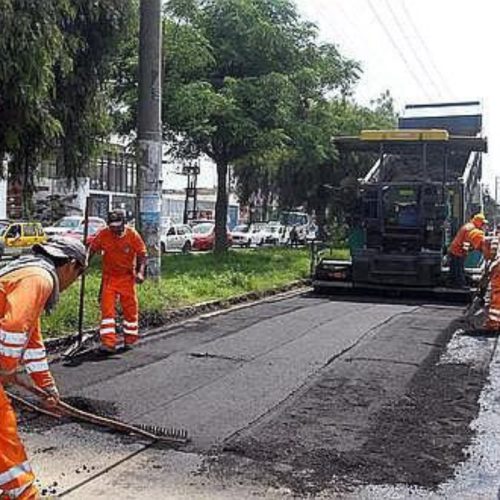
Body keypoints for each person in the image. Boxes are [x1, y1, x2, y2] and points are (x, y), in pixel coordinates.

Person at [0, 237, 86, 500]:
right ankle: (23, 495)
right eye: (79, 274)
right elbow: (14, 326)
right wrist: (6, 368)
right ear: (71, 265)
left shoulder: (26, 271)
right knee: (3, 432)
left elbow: (31, 341)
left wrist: (46, 386)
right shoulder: (40, 278)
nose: (73, 284)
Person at [88, 210, 147, 354]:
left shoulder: (132, 235)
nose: (114, 228)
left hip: (127, 278)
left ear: (124, 223)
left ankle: (130, 340)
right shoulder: (104, 234)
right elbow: (92, 249)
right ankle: (108, 343)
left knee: (130, 310)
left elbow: (142, 255)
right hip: (109, 278)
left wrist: (140, 272)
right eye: (112, 225)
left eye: (117, 225)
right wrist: (85, 263)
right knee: (107, 310)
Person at [448, 213, 488, 288]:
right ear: (478, 221)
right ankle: (460, 285)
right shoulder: (471, 229)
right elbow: (467, 242)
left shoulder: (469, 226)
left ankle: (453, 283)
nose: (483, 225)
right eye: (482, 223)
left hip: (455, 249)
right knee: (458, 269)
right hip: (457, 250)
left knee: (455, 268)